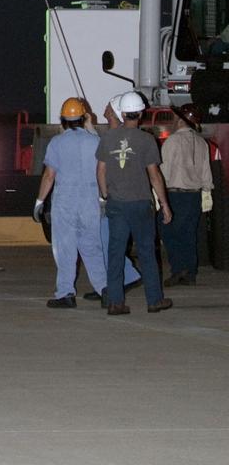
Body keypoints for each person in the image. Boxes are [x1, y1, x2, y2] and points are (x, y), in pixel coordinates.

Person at [96, 90, 173, 315]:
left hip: (116, 204)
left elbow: (100, 170)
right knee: (148, 252)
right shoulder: (147, 140)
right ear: (140, 113)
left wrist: (105, 195)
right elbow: (154, 175)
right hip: (140, 203)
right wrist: (164, 203)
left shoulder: (107, 138)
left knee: (116, 252)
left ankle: (115, 302)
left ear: (121, 113)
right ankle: (154, 300)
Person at [33, 97, 107, 309]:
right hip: (90, 200)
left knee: (65, 248)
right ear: (84, 117)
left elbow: (49, 175)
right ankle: (104, 289)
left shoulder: (57, 143)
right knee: (92, 247)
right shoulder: (96, 141)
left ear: (63, 120)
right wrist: (103, 197)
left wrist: (39, 201)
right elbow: (103, 171)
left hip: (65, 200)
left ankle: (66, 292)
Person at [83, 94, 142, 300]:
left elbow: (102, 161)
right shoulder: (115, 134)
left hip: (112, 197)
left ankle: (118, 282)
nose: (105, 108)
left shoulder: (117, 136)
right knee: (107, 240)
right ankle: (115, 282)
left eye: (109, 106)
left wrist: (104, 197)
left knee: (106, 240)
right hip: (116, 196)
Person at [159, 106, 214, 286]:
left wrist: (159, 196)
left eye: (175, 117)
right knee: (189, 234)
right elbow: (206, 171)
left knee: (168, 231)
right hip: (194, 195)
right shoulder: (201, 143)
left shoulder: (172, 141)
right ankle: (190, 272)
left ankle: (178, 269)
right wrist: (206, 192)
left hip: (175, 194)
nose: (173, 120)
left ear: (181, 120)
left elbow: (164, 171)